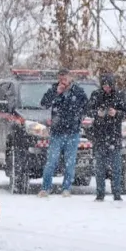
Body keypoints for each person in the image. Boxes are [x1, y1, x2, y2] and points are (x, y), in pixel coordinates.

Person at [38, 68, 89, 197]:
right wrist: (56, 93)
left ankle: (66, 188)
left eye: (65, 79)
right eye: (60, 79)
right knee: (51, 161)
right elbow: (43, 104)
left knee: (70, 162)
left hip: (73, 131)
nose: (63, 82)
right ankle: (46, 188)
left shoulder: (77, 91)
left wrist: (80, 117)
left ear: (70, 78)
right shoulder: (54, 89)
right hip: (57, 132)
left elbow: (87, 106)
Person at [87, 73, 126, 201]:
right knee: (100, 167)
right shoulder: (96, 95)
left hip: (114, 135)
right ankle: (100, 194)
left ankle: (117, 193)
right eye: (104, 85)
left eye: (108, 85)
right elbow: (88, 110)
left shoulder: (119, 96)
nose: (106, 88)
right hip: (99, 135)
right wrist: (97, 113)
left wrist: (116, 113)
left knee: (116, 167)